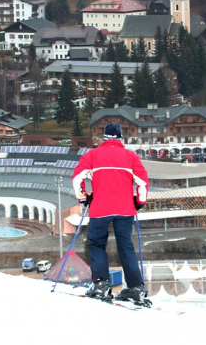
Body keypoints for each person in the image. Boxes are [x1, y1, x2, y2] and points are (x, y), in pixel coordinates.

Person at [72, 123, 149, 302]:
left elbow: (77, 179)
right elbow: (143, 183)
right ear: (121, 137)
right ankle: (135, 288)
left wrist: (83, 198)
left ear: (104, 137)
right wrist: (139, 202)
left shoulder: (92, 155)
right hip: (125, 209)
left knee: (98, 244)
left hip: (100, 209)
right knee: (125, 245)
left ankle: (101, 285)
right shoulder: (131, 156)